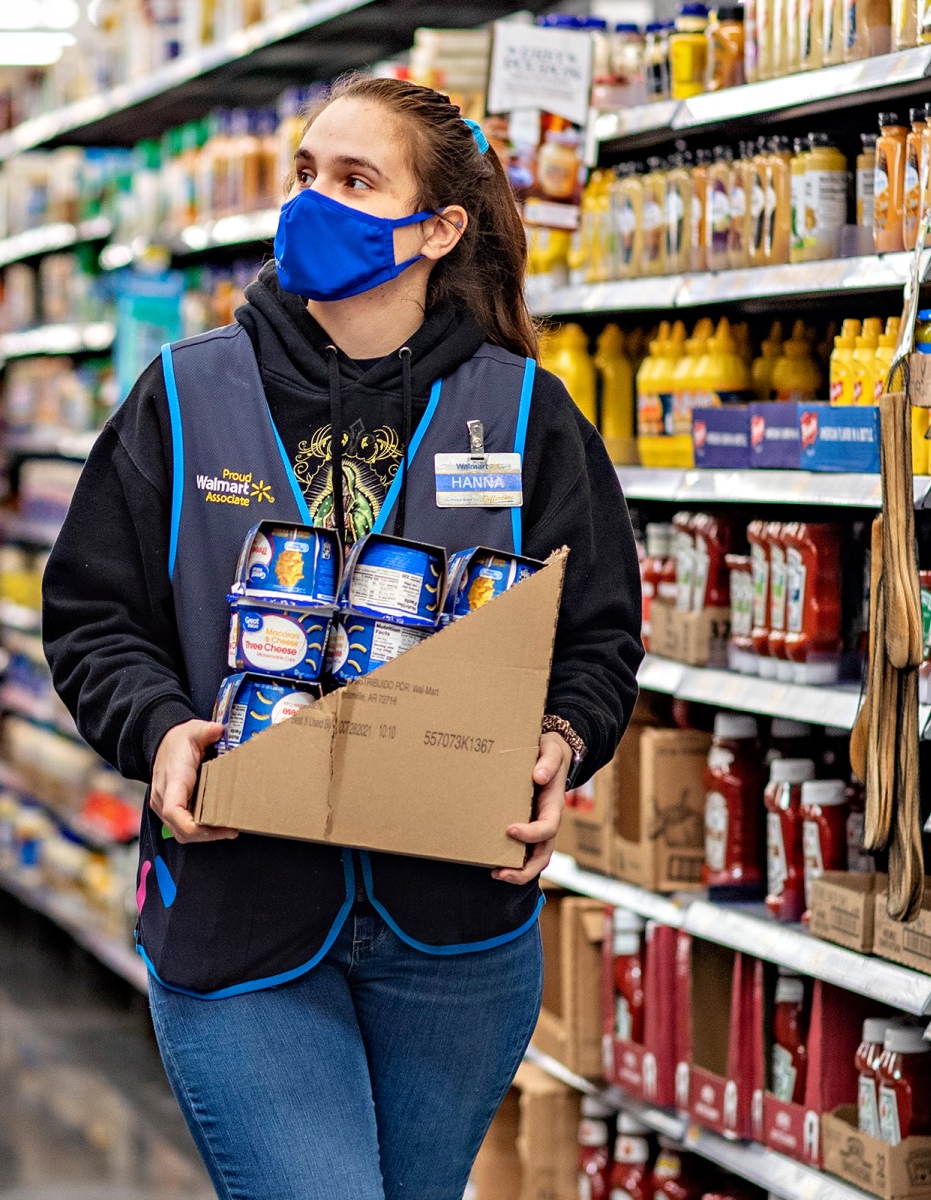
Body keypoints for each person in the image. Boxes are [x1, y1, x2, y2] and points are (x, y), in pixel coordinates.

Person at [42, 75, 642, 1197]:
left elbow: (600, 634)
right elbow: (91, 619)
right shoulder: (181, 398)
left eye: (355, 180)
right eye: (306, 174)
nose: (313, 201)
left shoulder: (525, 415)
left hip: (454, 935)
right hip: (239, 918)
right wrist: (161, 730)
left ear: (438, 229)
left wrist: (560, 741)